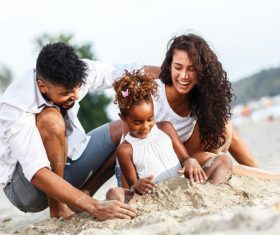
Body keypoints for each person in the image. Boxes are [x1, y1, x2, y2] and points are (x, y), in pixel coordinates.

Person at [0, 42, 160, 220]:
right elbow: (36, 172)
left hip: (64, 165)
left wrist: (173, 74)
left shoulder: (79, 72)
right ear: (42, 86)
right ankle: (58, 207)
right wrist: (95, 207)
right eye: (67, 93)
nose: (75, 95)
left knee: (126, 127)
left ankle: (82, 196)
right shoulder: (15, 104)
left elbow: (127, 71)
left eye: (77, 87)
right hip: (26, 190)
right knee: (51, 120)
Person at [155, 33, 280, 180]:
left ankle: (262, 175)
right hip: (164, 161)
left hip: (188, 155)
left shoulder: (200, 94)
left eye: (191, 68)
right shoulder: (154, 90)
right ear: (170, 66)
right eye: (178, 67)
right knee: (217, 158)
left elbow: (232, 137)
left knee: (221, 124)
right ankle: (271, 178)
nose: (184, 75)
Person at [112, 70, 233, 197]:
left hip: (181, 187)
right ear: (123, 118)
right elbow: (132, 186)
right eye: (137, 122)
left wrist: (190, 162)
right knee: (113, 193)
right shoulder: (125, 150)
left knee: (224, 159)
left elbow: (185, 159)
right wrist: (137, 185)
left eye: (150, 119)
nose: (145, 126)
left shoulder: (166, 128)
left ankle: (210, 193)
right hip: (155, 195)